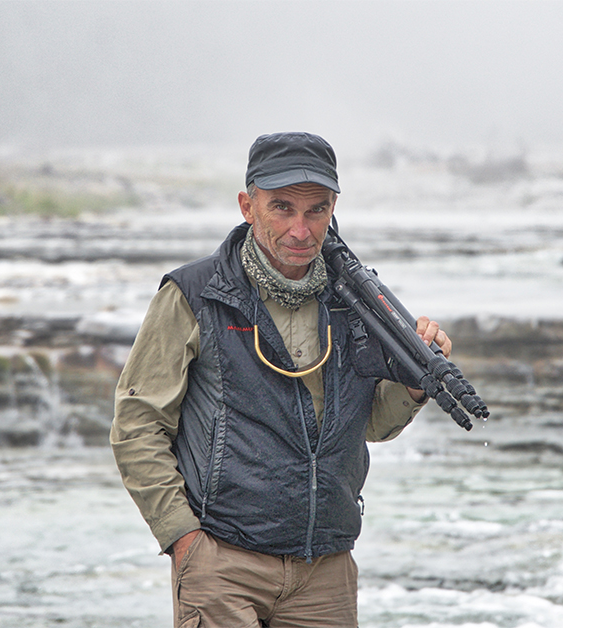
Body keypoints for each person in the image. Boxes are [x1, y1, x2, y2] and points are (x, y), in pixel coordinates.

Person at [110, 131, 452, 628]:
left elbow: (367, 425)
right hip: (222, 562)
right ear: (248, 206)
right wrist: (183, 539)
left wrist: (414, 385)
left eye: (317, 210)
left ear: (334, 209)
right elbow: (137, 425)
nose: (301, 229)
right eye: (282, 207)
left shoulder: (357, 301)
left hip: (326, 569)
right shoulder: (194, 294)